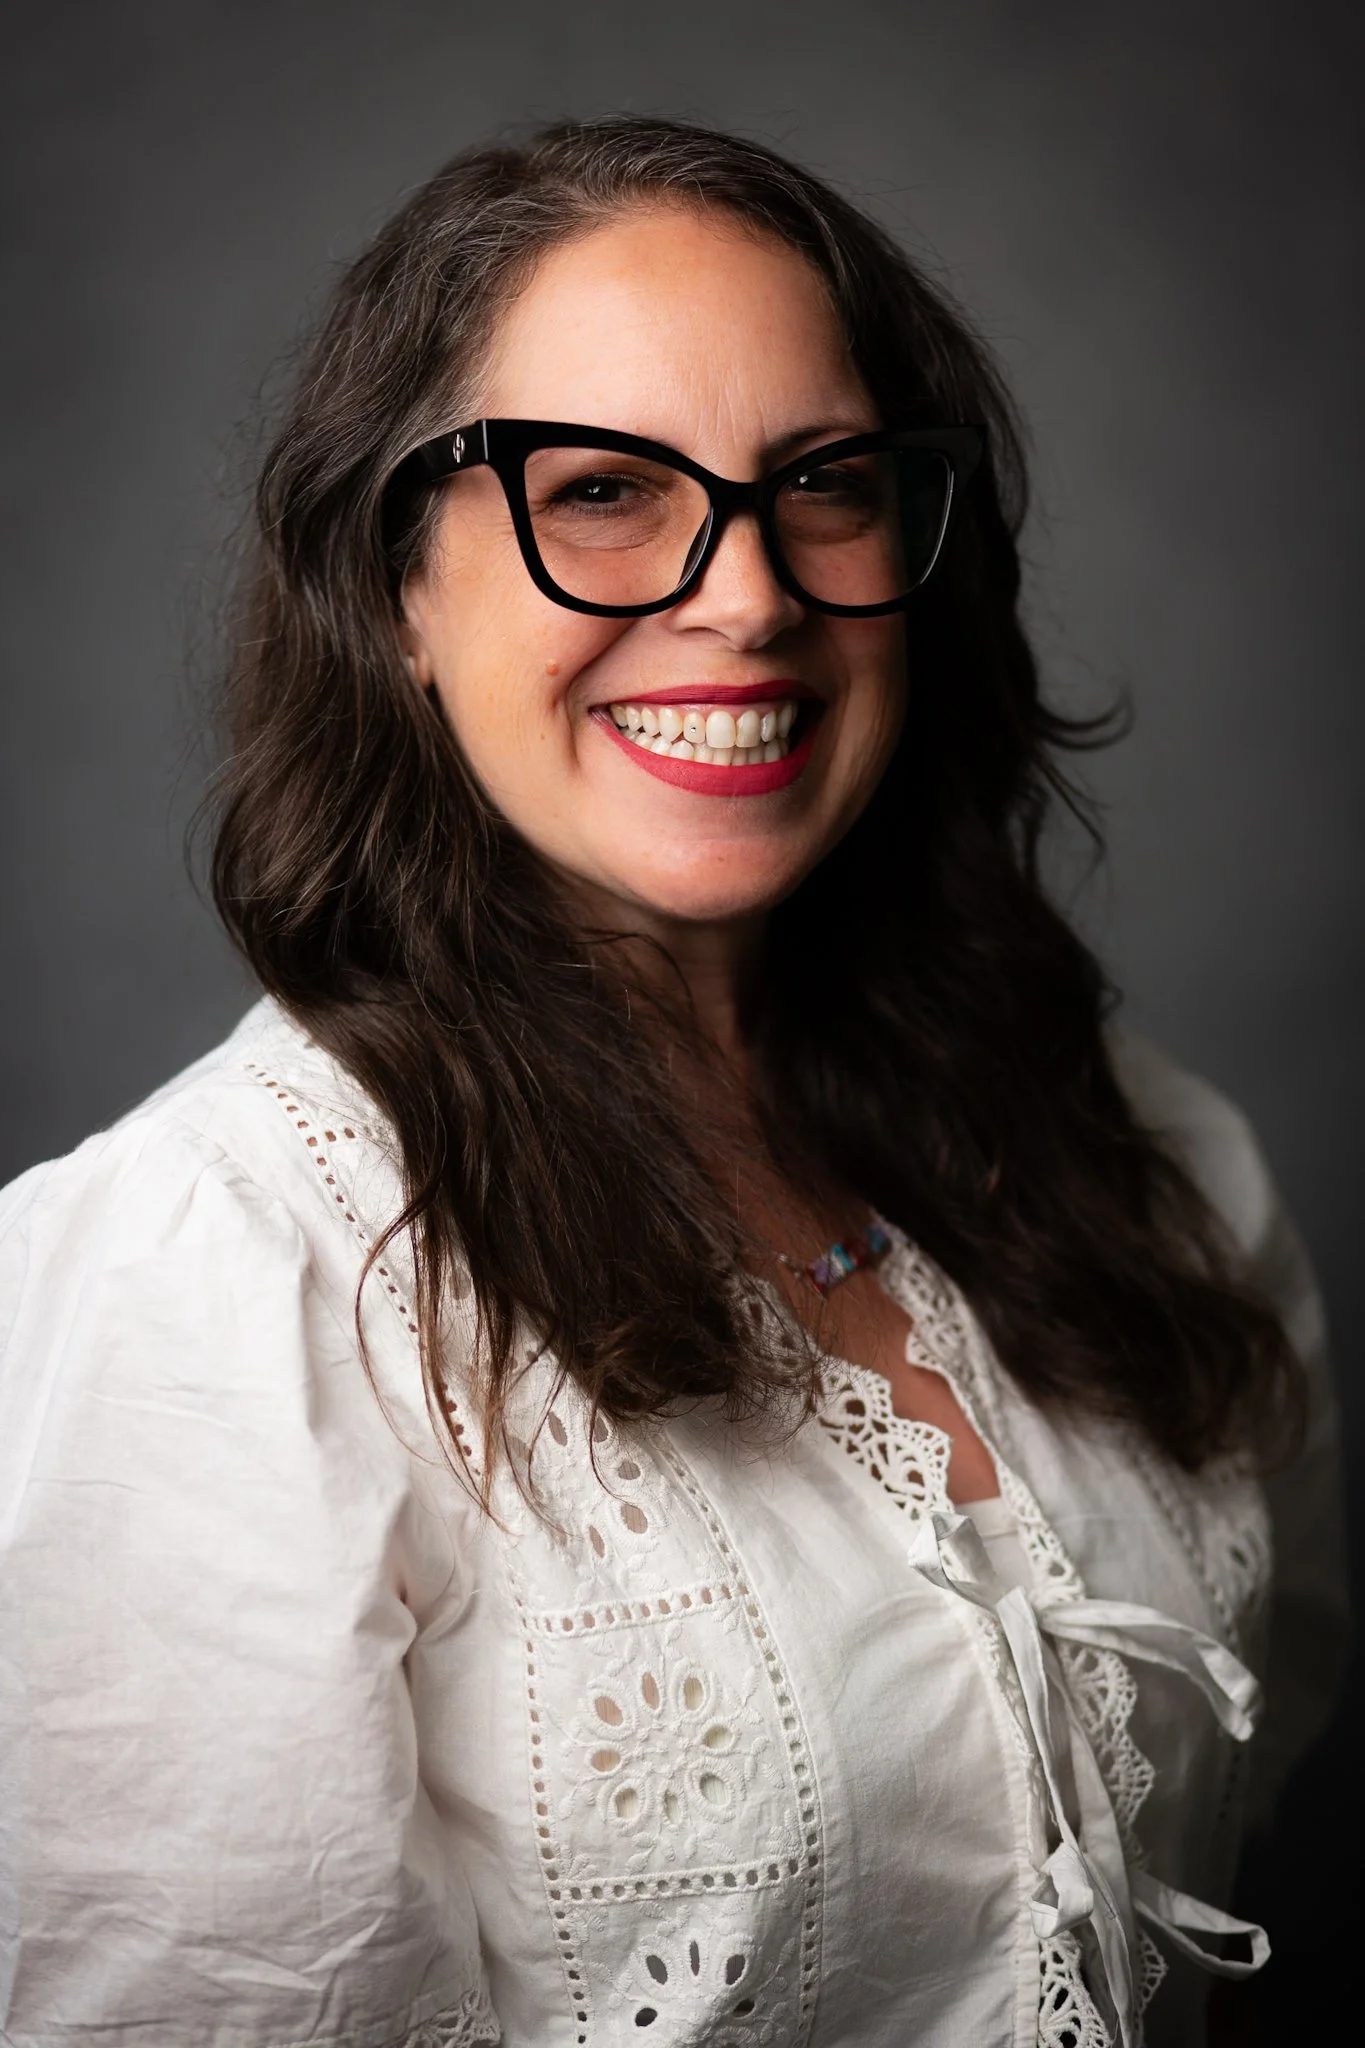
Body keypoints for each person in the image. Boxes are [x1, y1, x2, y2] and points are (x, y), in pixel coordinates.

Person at [0, 116, 1346, 2048]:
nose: (748, 600)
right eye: (610, 490)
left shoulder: (1138, 1150)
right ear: (395, 583)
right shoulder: (209, 1285)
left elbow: (1257, 1724)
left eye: (825, 485)